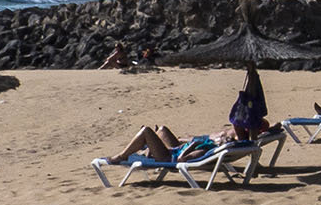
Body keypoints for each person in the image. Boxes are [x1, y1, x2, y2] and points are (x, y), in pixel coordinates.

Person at [106, 68, 271, 163]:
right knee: (161, 129)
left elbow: (181, 161)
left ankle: (122, 156)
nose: (225, 139)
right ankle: (146, 146)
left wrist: (194, 145)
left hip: (168, 156)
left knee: (146, 131)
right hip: (174, 149)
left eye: (224, 141)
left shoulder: (206, 150)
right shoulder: (211, 144)